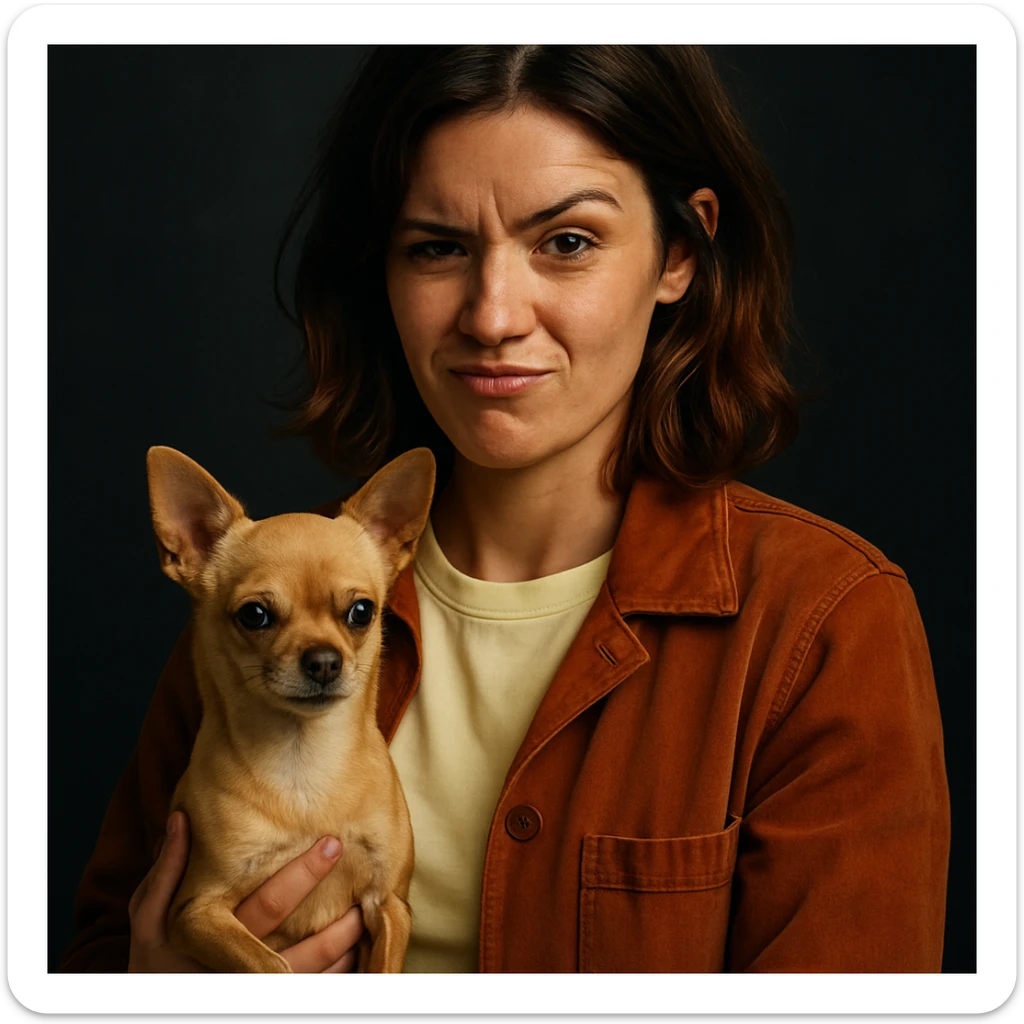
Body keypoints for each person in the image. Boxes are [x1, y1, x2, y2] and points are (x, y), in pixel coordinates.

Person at [60, 44, 950, 974]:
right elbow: (101, 955)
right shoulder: (256, 600)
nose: (492, 314)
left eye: (566, 242)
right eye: (438, 247)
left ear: (678, 254)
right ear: (383, 272)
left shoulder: (823, 622)